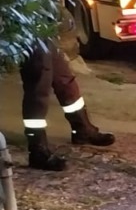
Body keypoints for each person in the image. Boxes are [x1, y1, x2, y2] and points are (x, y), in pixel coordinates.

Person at [20, 38, 114, 171]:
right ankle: (37, 149)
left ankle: (82, 129)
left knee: (64, 79)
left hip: (41, 33)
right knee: (38, 88)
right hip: (26, 35)